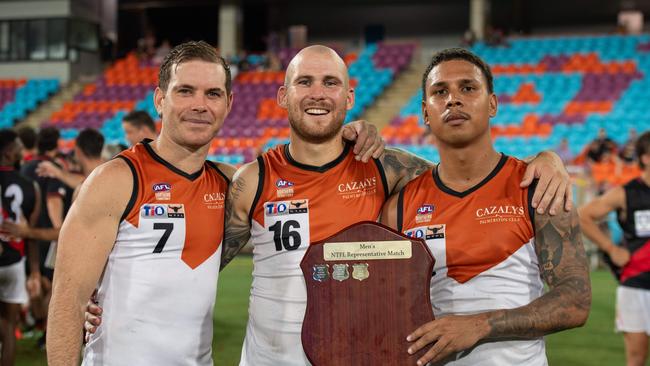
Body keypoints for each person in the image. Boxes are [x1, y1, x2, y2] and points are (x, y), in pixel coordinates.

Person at [218, 45, 574, 366]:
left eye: (330, 83)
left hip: (358, 355)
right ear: (282, 95)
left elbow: (470, 177)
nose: (318, 94)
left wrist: (544, 159)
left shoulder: (385, 170)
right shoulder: (252, 180)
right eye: (304, 82)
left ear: (349, 97)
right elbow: (199, 264)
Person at [47, 40, 384, 366]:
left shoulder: (232, 184)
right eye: (185, 91)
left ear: (228, 104)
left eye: (212, 94)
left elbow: (309, 172)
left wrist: (347, 133)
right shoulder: (116, 180)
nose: (200, 104)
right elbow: (67, 299)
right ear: (160, 100)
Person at [380, 48, 591, 366]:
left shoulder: (538, 187)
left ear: (492, 103)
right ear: (426, 112)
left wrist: (480, 326)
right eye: (440, 92)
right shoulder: (398, 207)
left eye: (468, 88)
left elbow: (576, 300)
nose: (453, 99)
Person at [579, 131, 650, 366]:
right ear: (645, 157)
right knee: (636, 358)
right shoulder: (626, 192)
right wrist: (611, 248)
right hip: (635, 285)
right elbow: (584, 216)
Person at [2, 128, 106, 242]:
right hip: (47, 241)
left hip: (24, 237)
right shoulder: (52, 170)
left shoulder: (27, 167)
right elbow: (55, 211)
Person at [19, 126, 69, 348]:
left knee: (38, 280)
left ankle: (38, 323)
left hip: (28, 233)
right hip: (48, 234)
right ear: (56, 143)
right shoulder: (51, 168)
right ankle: (47, 330)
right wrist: (59, 231)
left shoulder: (26, 168)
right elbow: (53, 201)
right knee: (53, 284)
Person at [0, 129, 41, 366]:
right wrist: (34, 270)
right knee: (9, 325)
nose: (21, 151)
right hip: (15, 259)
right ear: (8, 152)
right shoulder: (30, 186)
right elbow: (31, 234)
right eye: (17, 146)